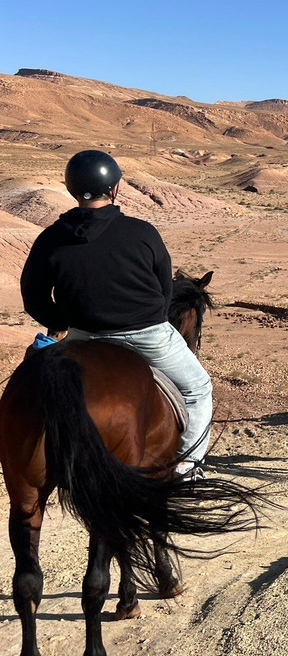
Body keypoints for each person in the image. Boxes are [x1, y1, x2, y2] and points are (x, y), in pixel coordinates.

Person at [20, 150, 213, 480]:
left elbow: (33, 297)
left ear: (71, 189)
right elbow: (164, 289)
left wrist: (64, 320)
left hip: (81, 337)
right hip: (148, 335)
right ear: (115, 189)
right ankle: (187, 466)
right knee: (199, 388)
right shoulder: (142, 232)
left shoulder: (51, 238)